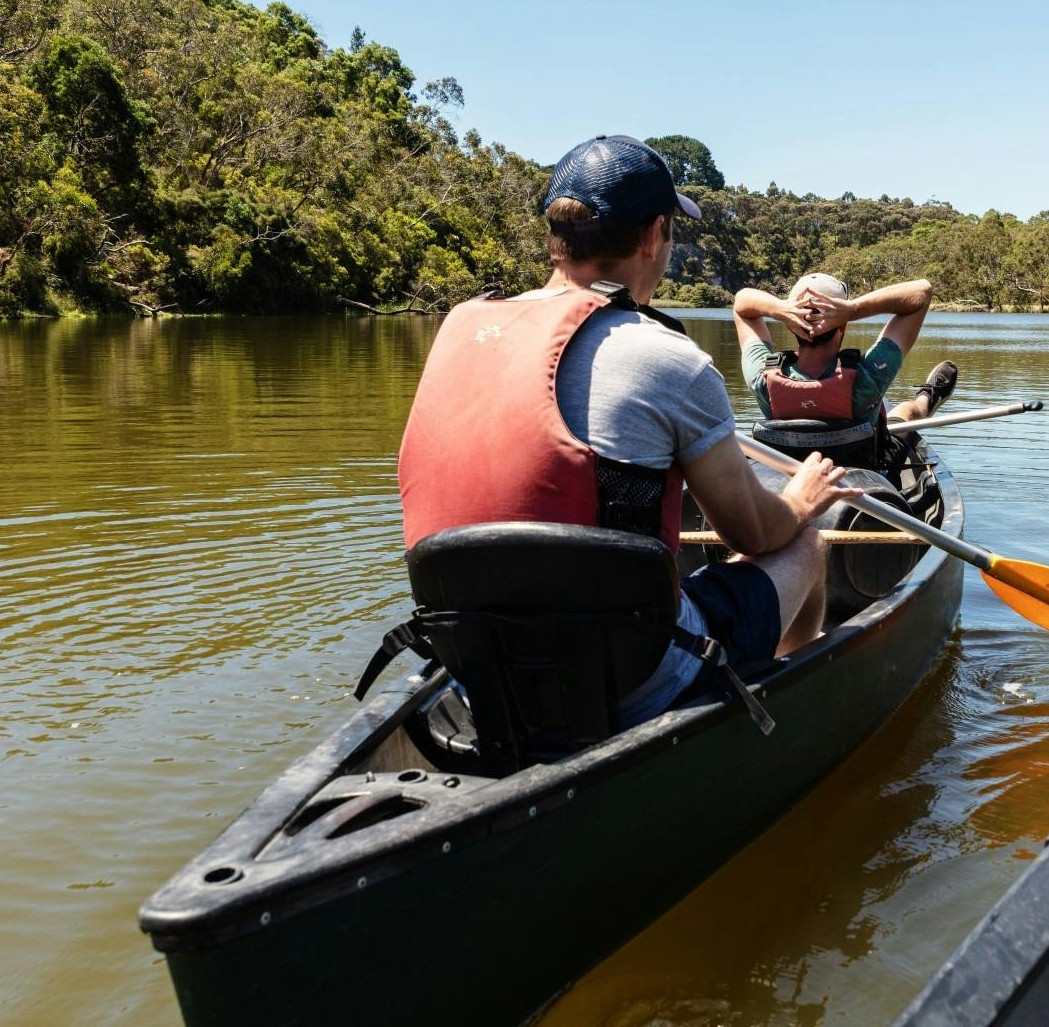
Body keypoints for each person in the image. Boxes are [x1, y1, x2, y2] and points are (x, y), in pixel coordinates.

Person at [397, 135, 856, 727]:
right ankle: (791, 704)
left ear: (558, 238)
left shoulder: (459, 327)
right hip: (627, 674)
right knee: (802, 544)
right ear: (651, 236)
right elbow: (755, 531)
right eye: (669, 235)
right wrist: (799, 501)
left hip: (471, 664)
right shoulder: (670, 358)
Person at [732, 274, 957, 426]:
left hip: (794, 470)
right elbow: (922, 292)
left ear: (790, 327)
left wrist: (780, 309)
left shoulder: (762, 380)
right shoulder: (868, 379)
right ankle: (926, 400)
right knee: (905, 413)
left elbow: (742, 304)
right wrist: (854, 309)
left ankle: (925, 399)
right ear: (843, 325)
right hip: (861, 469)